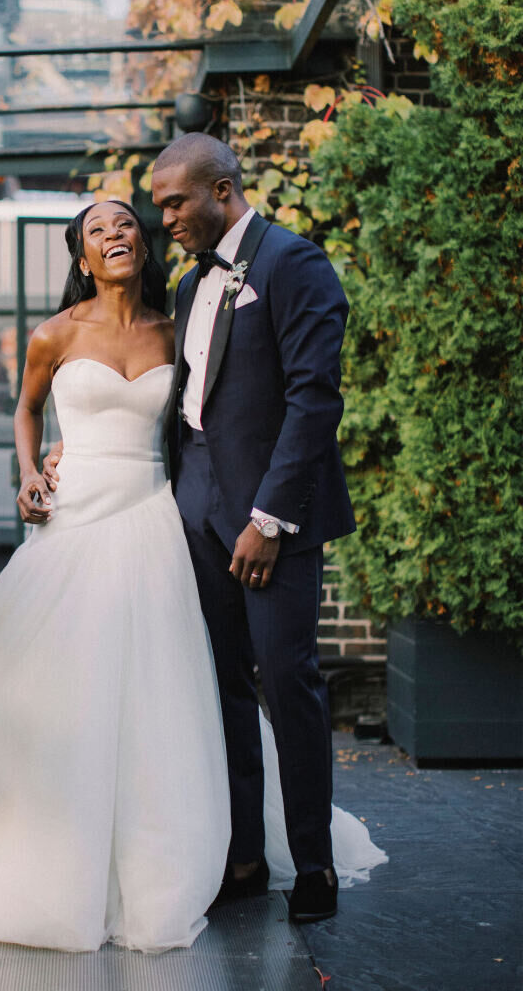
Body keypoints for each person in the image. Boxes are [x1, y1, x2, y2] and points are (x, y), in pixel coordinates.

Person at [0, 197, 384, 951]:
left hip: (158, 521)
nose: (115, 234)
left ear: (143, 242)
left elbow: (207, 419)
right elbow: (28, 412)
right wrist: (33, 470)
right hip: (73, 522)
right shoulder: (53, 333)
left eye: (126, 222)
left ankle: (211, 852)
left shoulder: (181, 319)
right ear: (81, 256)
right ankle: (54, 851)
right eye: (97, 230)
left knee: (171, 692)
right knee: (62, 685)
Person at [150, 131, 357, 922]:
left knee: (289, 682)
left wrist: (269, 519)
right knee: (223, 687)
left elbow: (314, 399)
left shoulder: (292, 263)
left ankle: (314, 867)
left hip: (269, 524)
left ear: (224, 189)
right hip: (196, 510)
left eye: (177, 201)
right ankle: (243, 854)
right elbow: (187, 405)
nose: (165, 216)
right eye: (161, 203)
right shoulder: (186, 285)